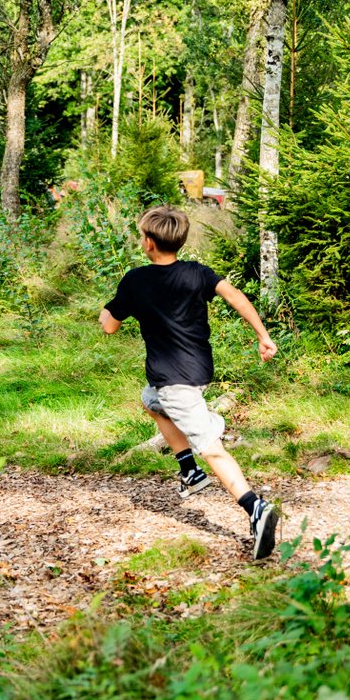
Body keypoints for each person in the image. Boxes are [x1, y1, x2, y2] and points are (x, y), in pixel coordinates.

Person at [100, 205, 282, 559]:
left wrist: (106, 311)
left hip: (175, 380)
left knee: (211, 446)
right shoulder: (198, 274)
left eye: (142, 236)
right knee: (151, 400)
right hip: (197, 370)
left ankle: (255, 508)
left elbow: (109, 325)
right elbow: (235, 297)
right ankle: (190, 472)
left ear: (149, 243)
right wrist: (263, 335)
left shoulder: (135, 280)